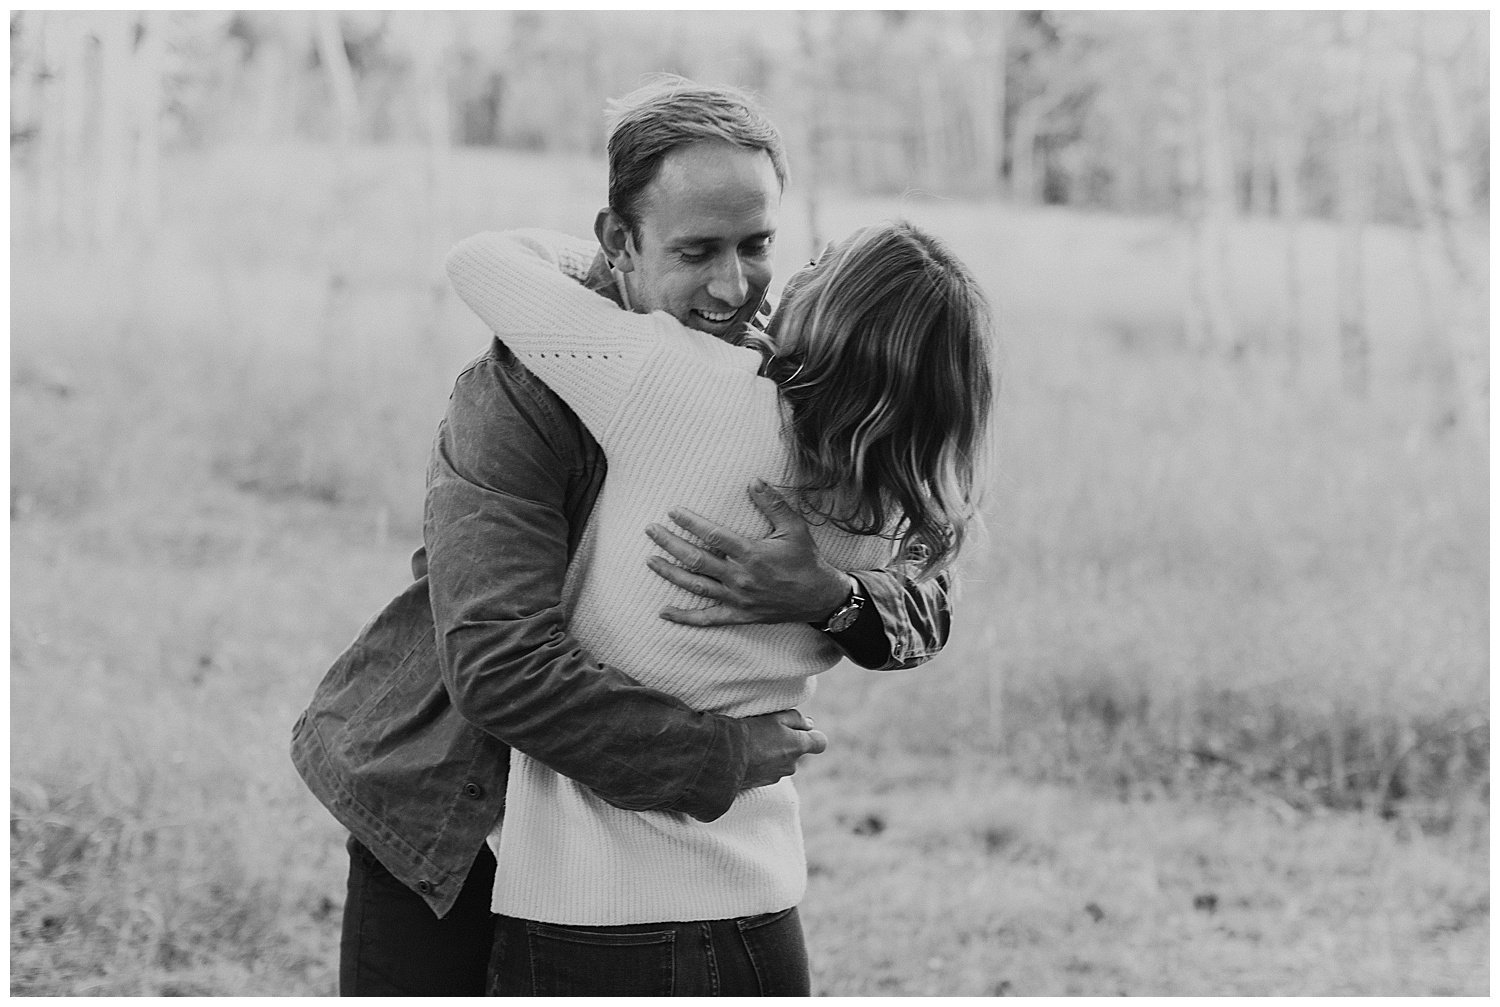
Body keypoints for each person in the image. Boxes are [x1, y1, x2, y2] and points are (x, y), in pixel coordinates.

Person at [290, 76, 954, 996]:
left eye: (758, 245)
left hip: (629, 874)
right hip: (456, 811)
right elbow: (500, 666)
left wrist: (831, 599)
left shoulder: (788, 376)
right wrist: (719, 755)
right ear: (620, 239)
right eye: (696, 250)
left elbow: (930, 599)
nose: (734, 287)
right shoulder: (519, 393)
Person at [445, 230, 992, 994]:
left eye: (818, 262)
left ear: (829, 307)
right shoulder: (900, 507)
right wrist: (834, 595)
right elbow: (927, 614)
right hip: (761, 905)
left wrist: (621, 263)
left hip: (596, 913)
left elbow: (481, 260)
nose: (782, 275)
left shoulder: (682, 382)